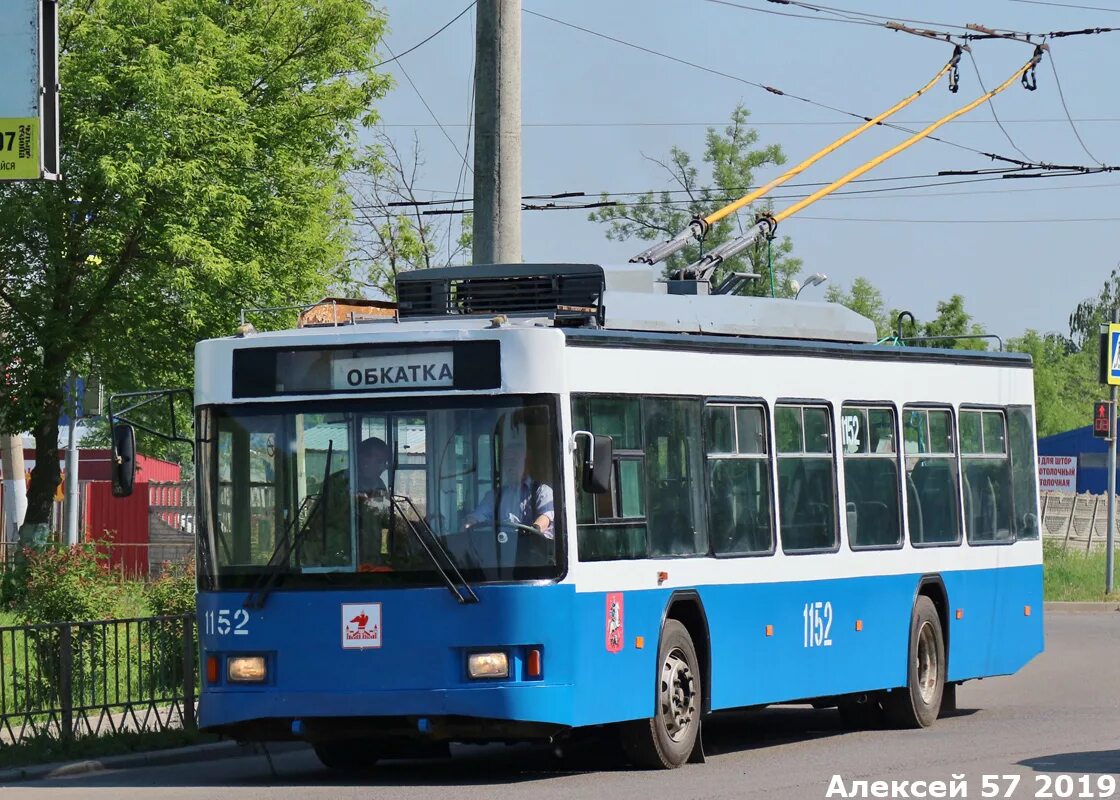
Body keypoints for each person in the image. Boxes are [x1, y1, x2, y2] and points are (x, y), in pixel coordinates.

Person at [462, 433, 553, 569]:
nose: (510, 466)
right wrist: (469, 523)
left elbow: (546, 516)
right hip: (500, 558)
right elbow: (479, 515)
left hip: (535, 560)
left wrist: (533, 530)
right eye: (507, 461)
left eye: (515, 461)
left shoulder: (542, 491)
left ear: (526, 463)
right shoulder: (494, 495)